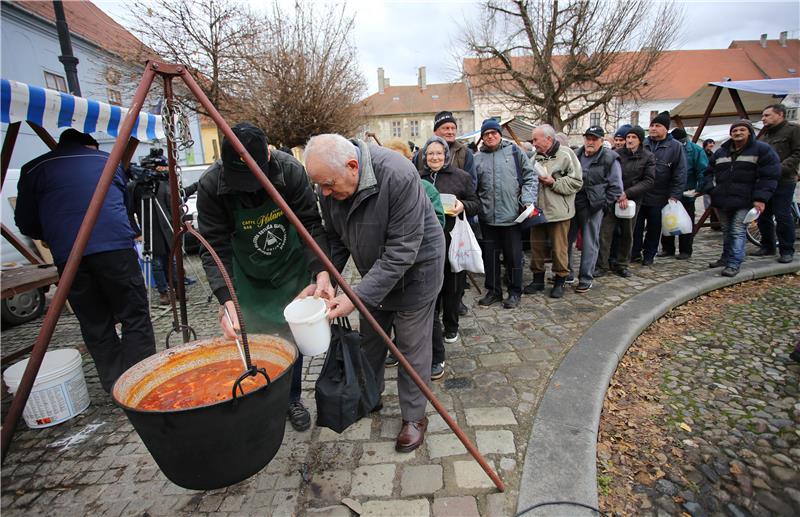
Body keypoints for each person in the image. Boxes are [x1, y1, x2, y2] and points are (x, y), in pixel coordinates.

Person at [304, 133, 445, 453]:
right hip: (375, 272)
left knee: (411, 347)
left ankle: (414, 417)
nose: (324, 193)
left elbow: (402, 250)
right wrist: (326, 275)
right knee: (370, 338)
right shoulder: (330, 180)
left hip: (416, 271)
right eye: (320, 186)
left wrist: (354, 298)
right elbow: (335, 237)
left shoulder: (398, 174)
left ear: (353, 165)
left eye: (328, 185)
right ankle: (370, 395)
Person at [196, 123, 333, 432]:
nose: (249, 189)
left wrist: (321, 270)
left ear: (268, 158)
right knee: (253, 338)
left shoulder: (290, 171)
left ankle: (292, 398)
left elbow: (310, 223)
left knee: (290, 338)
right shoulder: (211, 186)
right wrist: (226, 300)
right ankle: (258, 399)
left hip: (289, 265)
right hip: (246, 273)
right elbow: (214, 248)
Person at [15, 129, 155, 392]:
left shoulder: (34, 168)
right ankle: (142, 380)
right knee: (133, 314)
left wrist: (46, 234)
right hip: (115, 248)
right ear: (90, 146)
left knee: (94, 321)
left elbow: (24, 220)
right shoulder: (107, 161)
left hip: (69, 254)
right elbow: (124, 207)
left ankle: (116, 385)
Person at [418, 136, 479, 380]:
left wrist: (463, 205)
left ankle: (451, 325)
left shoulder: (460, 177)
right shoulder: (417, 177)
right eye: (430, 154)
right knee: (432, 286)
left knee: (453, 285)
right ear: (424, 156)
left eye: (438, 153)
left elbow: (477, 203)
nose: (434, 157)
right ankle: (433, 327)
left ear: (446, 155)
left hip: (454, 238)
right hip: (427, 242)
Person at [703, 120, 780, 277]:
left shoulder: (762, 150)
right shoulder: (721, 152)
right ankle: (725, 258)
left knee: (738, 230)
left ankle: (734, 262)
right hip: (723, 199)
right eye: (735, 130)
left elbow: (769, 176)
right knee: (727, 230)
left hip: (746, 199)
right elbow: (708, 172)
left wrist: (760, 198)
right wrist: (711, 189)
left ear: (749, 132)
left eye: (741, 130)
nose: (737, 133)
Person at [474, 118, 537, 308]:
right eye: (486, 134)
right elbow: (473, 186)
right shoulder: (477, 158)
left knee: (513, 257)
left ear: (499, 134)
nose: (490, 136)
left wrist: (526, 199)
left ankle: (514, 291)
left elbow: (530, 176)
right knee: (490, 257)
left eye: (494, 133)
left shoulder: (514, 151)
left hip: (512, 217)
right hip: (487, 217)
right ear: (483, 137)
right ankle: (493, 291)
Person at [526, 124, 583, 298]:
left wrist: (553, 183)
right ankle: (537, 280)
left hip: (559, 212)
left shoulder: (566, 154)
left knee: (559, 249)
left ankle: (560, 280)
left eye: (536, 139)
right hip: (538, 212)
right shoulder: (534, 157)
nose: (533, 142)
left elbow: (577, 182)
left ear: (548, 139)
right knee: (536, 248)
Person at [567, 126, 623, 292]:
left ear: (601, 140)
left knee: (590, 242)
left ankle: (585, 278)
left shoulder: (610, 158)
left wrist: (603, 204)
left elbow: (616, 187)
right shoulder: (575, 154)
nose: (590, 142)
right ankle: (567, 274)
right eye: (588, 138)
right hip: (573, 203)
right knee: (566, 241)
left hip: (594, 205)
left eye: (594, 139)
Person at [597, 125, 655, 278]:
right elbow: (607, 175)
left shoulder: (647, 157)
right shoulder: (616, 154)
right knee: (605, 233)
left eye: (633, 137)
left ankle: (622, 264)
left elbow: (648, 181)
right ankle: (602, 265)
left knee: (627, 234)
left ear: (640, 140)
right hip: (613, 199)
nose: (629, 140)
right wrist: (616, 194)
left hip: (631, 201)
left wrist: (627, 194)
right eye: (628, 137)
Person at [631, 111, 687, 266]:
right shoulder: (644, 143)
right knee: (636, 226)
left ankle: (649, 254)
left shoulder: (675, 146)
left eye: (658, 125)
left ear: (666, 129)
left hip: (660, 195)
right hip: (640, 193)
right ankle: (634, 253)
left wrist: (675, 195)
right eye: (652, 125)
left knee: (654, 228)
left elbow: (680, 172)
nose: (653, 128)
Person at [756, 103, 800, 263]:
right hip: (765, 181)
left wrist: (780, 168)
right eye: (763, 116)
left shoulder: (793, 130)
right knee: (763, 215)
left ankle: (786, 249)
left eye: (767, 115)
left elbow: (798, 153)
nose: (763, 119)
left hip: (784, 180)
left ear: (780, 114)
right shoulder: (764, 135)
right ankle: (767, 246)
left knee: (782, 215)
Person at [659, 128, 708, 260]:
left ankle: (685, 250)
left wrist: (698, 189)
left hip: (687, 192)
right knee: (667, 219)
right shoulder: (667, 148)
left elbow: (703, 171)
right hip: (667, 192)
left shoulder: (696, 150)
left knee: (686, 222)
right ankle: (667, 248)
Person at [414, 111, 476, 187]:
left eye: (453, 128)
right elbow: (414, 181)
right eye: (446, 128)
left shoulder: (465, 152)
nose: (450, 132)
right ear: (435, 131)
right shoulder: (421, 154)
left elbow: (471, 184)